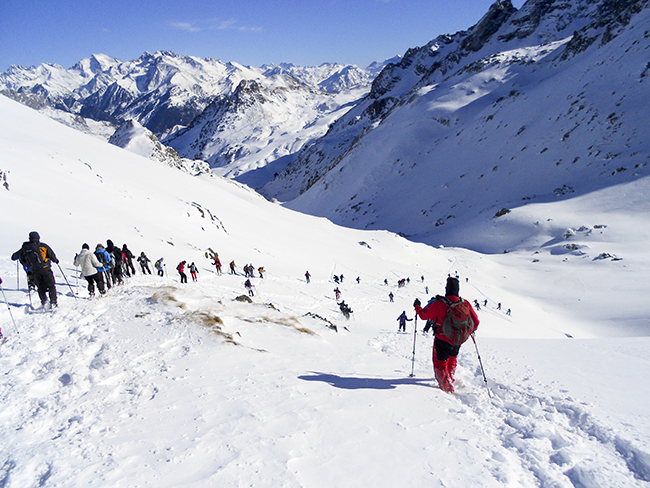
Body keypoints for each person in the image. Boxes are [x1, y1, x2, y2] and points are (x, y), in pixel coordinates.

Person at [414, 277, 479, 393]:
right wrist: (467, 332)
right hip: (458, 339)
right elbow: (476, 322)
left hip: (442, 338)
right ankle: (451, 377)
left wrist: (417, 307)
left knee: (440, 361)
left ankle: (446, 388)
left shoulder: (440, 304)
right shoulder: (465, 303)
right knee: (452, 358)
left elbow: (424, 315)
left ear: (446, 289)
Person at [14, 231, 59, 308]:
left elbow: (14, 257)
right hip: (45, 269)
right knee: (51, 285)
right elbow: (52, 256)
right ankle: (53, 302)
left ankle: (44, 302)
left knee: (40, 287)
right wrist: (56, 260)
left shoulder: (26, 248)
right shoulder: (43, 246)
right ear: (38, 238)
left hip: (34, 271)